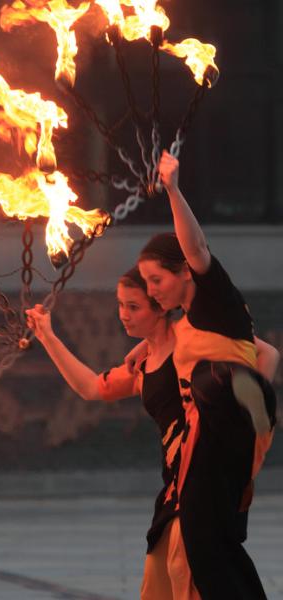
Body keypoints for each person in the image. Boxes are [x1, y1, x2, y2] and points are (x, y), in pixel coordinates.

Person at [26, 270, 278, 600]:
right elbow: (90, 387)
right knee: (158, 586)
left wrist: (246, 422)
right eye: (120, 305)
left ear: (160, 306)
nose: (123, 315)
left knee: (195, 580)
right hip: (173, 493)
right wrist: (47, 336)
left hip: (204, 488)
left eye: (134, 307)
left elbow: (268, 353)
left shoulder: (195, 340)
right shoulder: (143, 366)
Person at [135, 150, 279, 599]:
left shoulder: (215, 298)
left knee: (205, 540)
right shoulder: (186, 324)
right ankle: (243, 396)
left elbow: (195, 246)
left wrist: (174, 189)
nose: (152, 291)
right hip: (214, 437)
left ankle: (240, 394)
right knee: (213, 544)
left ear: (184, 273)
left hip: (226, 425)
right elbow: (270, 353)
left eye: (157, 280)